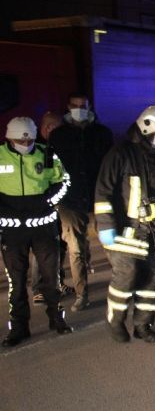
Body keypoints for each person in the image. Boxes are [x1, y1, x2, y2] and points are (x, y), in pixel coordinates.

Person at [94, 105, 155, 343]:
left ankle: (143, 325)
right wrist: (106, 226)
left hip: (154, 230)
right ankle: (116, 320)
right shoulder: (120, 154)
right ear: (145, 129)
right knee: (127, 275)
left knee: (152, 278)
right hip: (125, 230)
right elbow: (103, 192)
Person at [0, 117, 73, 347]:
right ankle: (19, 327)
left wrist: (48, 201)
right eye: (21, 140)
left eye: (30, 139)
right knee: (17, 281)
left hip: (43, 226)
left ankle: (56, 319)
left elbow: (64, 181)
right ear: (9, 138)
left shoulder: (47, 153)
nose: (26, 144)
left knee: (52, 277)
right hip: (12, 231)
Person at [50, 93, 114, 312]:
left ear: (90, 107)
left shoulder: (102, 133)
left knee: (110, 243)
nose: (79, 109)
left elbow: (111, 165)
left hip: (99, 197)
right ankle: (82, 294)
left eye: (83, 106)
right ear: (68, 107)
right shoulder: (58, 136)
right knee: (75, 249)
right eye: (75, 105)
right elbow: (52, 169)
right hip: (71, 200)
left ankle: (121, 287)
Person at [30, 111, 72, 304]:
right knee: (42, 249)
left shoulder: (52, 146)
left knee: (57, 247)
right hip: (38, 208)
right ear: (48, 129)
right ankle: (40, 287)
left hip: (52, 205)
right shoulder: (41, 149)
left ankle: (56, 282)